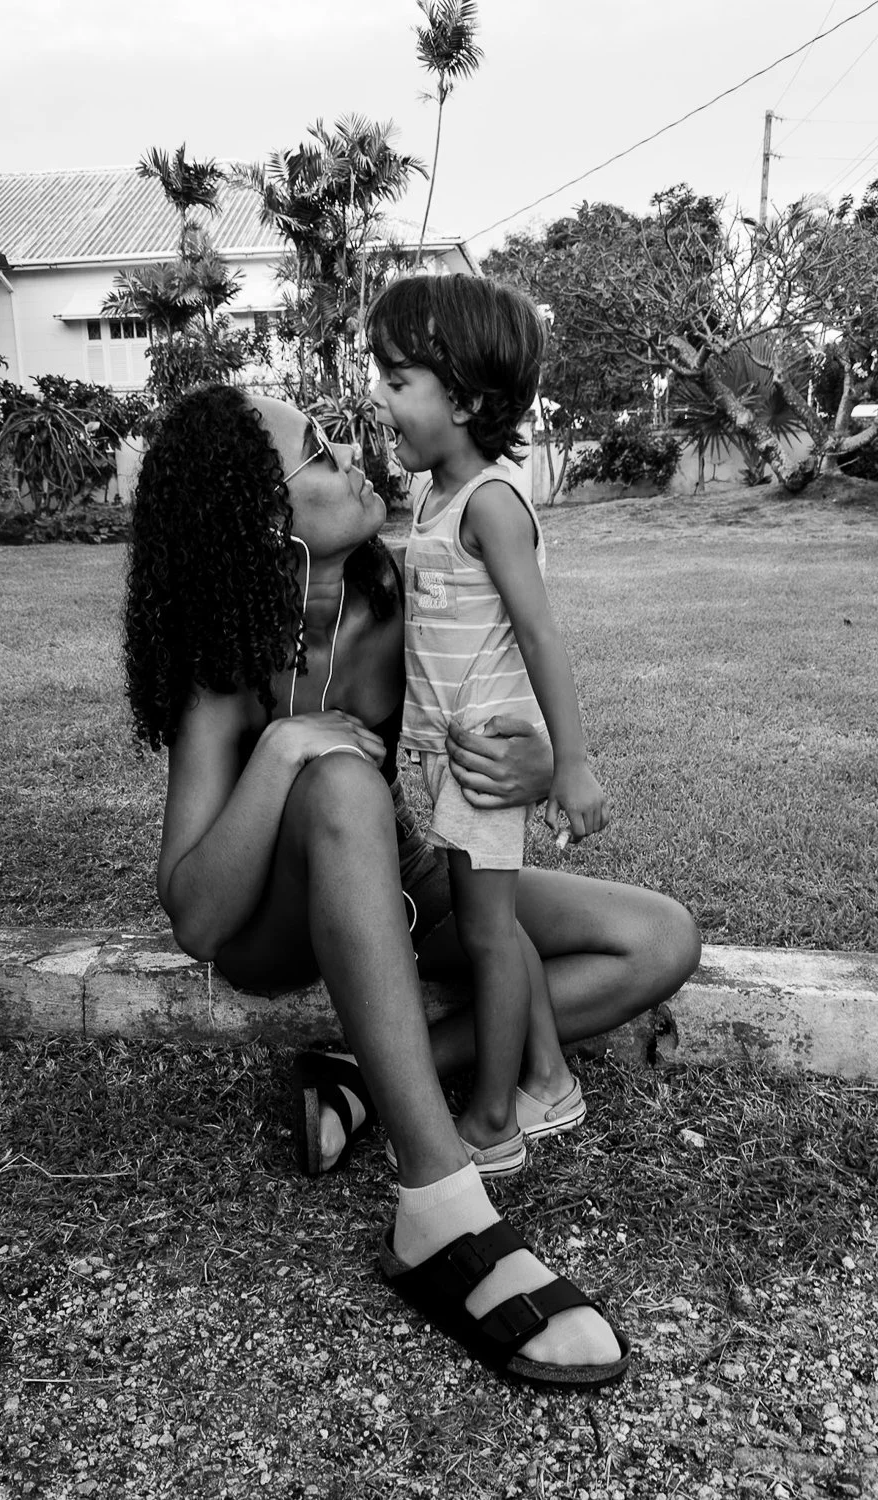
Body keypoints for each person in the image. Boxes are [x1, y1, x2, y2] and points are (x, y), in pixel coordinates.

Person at [124, 381, 700, 1390]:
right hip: (281, 918)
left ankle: (363, 1072)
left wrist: (526, 766)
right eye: (316, 451)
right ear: (264, 515)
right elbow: (197, 917)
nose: (351, 452)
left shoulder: (407, 598)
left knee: (658, 942)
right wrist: (284, 752)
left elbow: (496, 722)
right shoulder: (228, 664)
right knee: (341, 781)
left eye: (338, 435)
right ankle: (438, 1204)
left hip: (409, 879)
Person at [366, 274, 603, 1182]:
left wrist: (572, 763)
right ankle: (550, 1082)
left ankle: (495, 1117)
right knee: (493, 927)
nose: (380, 396)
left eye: (398, 379)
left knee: (489, 935)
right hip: (447, 751)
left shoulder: (492, 504)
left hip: (488, 755)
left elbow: (542, 632)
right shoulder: (433, 498)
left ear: (462, 399)